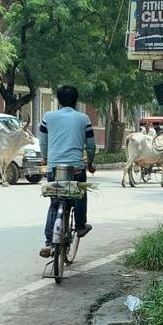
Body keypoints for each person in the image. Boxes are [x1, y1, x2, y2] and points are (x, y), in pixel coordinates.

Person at [38, 85, 96, 258]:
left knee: (55, 204)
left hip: (54, 169)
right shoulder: (83, 119)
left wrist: (46, 158)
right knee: (79, 195)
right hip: (76, 169)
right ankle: (80, 226)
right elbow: (91, 146)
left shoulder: (48, 117)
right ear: (76, 101)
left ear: (58, 101)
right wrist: (90, 163)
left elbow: (43, 143)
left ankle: (49, 243)